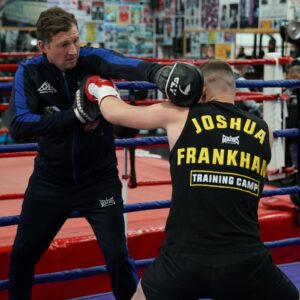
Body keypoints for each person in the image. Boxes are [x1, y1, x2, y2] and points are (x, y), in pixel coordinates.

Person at [7, 7, 201, 300]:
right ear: (44, 46)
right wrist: (75, 115)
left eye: (75, 40)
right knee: (21, 255)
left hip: (98, 181)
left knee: (116, 257)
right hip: (50, 182)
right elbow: (19, 125)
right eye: (63, 45)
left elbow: (124, 64)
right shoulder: (31, 71)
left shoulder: (90, 59)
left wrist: (158, 74)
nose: (72, 50)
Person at [82, 60, 299, 300]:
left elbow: (115, 113)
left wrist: (98, 86)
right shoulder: (263, 131)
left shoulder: (180, 115)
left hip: (182, 259)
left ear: (200, 89)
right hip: (244, 259)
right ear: (233, 89)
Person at [285, 64, 300, 169]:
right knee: (292, 148)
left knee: (293, 148)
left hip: (295, 128)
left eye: (289, 80)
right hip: (293, 128)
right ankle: (295, 174)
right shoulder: (293, 91)